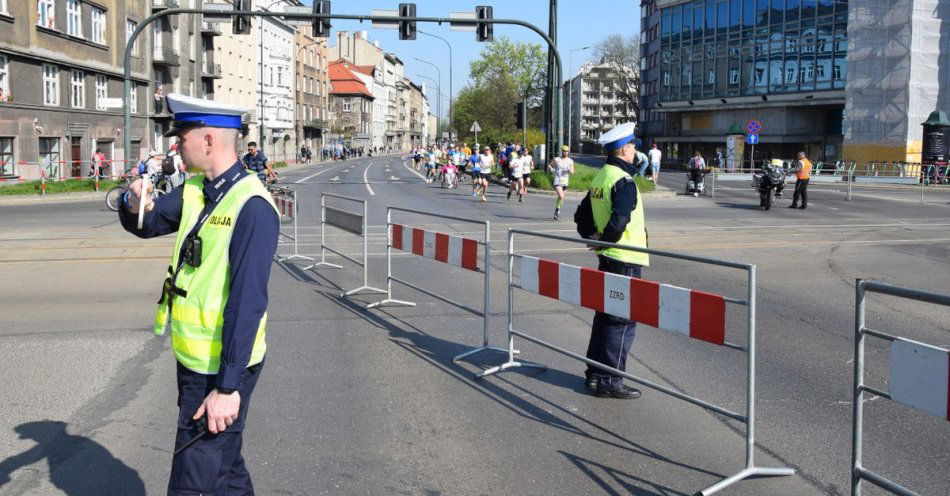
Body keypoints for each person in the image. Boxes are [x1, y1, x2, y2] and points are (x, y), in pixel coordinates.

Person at [118, 93, 279, 494]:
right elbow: (148, 223)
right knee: (224, 469)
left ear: (208, 141)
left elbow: (247, 305)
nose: (177, 145)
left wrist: (227, 388)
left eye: (182, 136)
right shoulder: (195, 189)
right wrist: (133, 200)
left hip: (221, 368)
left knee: (195, 480)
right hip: (195, 361)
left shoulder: (253, 205)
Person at [574, 122, 648, 400]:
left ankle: (594, 375)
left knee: (604, 317)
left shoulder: (601, 177)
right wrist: (605, 237)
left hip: (608, 257)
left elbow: (581, 216)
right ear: (625, 149)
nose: (636, 151)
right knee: (622, 321)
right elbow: (619, 220)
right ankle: (610, 380)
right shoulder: (624, 181)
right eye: (633, 146)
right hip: (625, 257)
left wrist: (593, 238)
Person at [548, 145, 575, 220]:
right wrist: (551, 169)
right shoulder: (557, 159)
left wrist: (570, 170)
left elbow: (572, 171)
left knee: (561, 198)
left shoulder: (570, 161)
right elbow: (549, 165)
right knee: (561, 196)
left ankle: (557, 209)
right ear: (561, 151)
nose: (565, 152)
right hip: (557, 180)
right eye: (564, 151)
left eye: (567, 151)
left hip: (565, 182)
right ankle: (557, 210)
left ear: (568, 152)